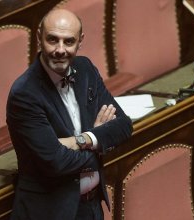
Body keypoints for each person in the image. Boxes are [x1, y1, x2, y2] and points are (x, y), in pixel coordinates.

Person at [7, 9, 132, 220]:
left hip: (92, 207)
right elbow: (55, 161)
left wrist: (82, 139)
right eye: (52, 40)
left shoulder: (85, 70)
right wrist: (99, 142)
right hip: (50, 212)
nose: (60, 50)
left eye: (68, 41)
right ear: (39, 38)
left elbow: (124, 126)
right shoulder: (25, 93)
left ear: (80, 41)